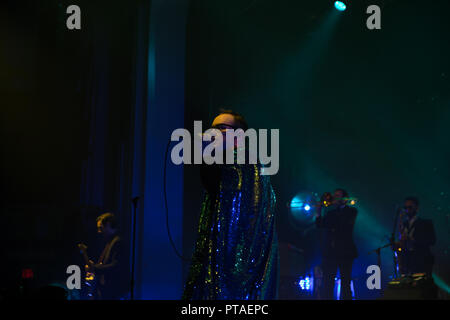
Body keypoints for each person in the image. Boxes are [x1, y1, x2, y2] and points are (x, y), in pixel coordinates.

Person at [182, 110, 279, 300]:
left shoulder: (246, 160)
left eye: (221, 128)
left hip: (238, 264)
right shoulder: (224, 160)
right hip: (220, 257)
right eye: (213, 128)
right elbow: (213, 187)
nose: (214, 133)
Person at [314, 189, 357, 300]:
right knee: (327, 282)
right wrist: (318, 212)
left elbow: (342, 224)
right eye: (334, 195)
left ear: (344, 198)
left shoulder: (351, 211)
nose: (334, 197)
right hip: (331, 253)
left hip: (345, 252)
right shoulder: (331, 213)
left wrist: (334, 206)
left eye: (337, 196)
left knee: (345, 282)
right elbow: (320, 225)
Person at [78, 212, 127, 299]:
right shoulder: (111, 242)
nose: (99, 231)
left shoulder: (117, 242)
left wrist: (95, 268)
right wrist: (95, 267)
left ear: (108, 225)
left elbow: (116, 266)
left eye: (101, 228)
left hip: (113, 291)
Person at [395, 196, 436, 275]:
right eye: (405, 207)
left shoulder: (426, 223)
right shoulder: (404, 224)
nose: (407, 210)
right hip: (408, 261)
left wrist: (412, 239)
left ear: (416, 208)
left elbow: (432, 241)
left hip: (422, 260)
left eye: (410, 207)